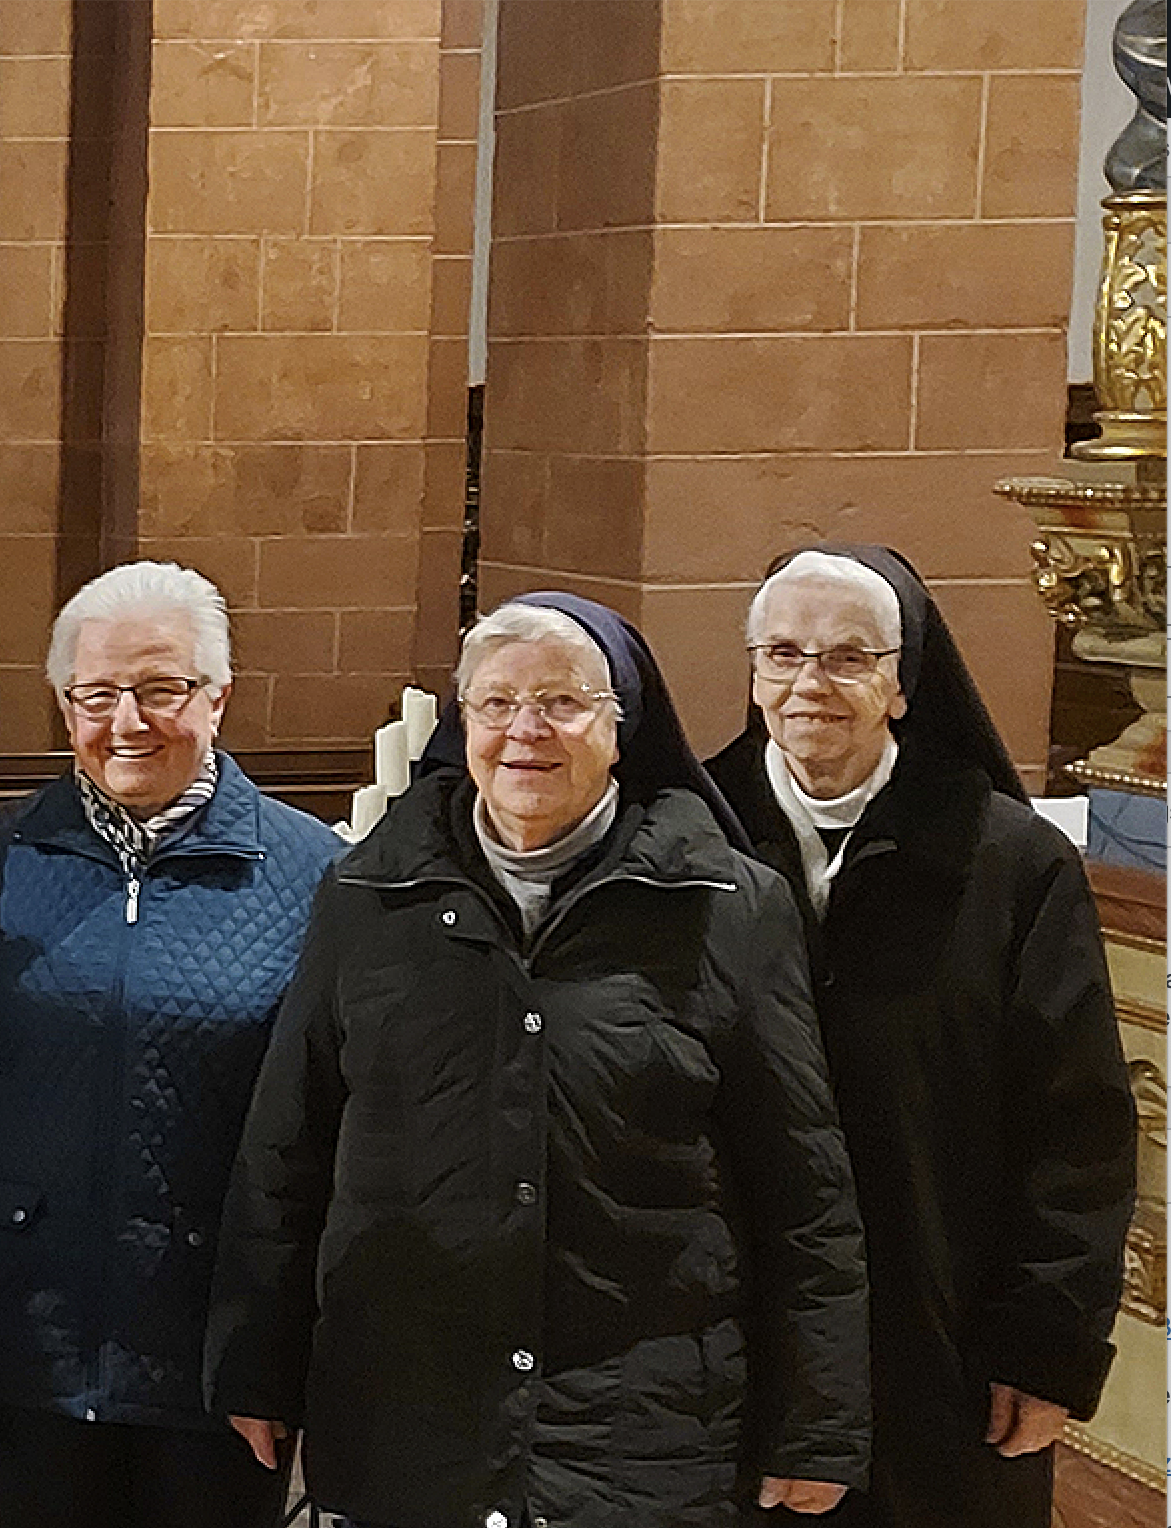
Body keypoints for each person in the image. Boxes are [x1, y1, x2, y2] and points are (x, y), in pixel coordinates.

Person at [210, 593, 869, 1528]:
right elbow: (287, 1146)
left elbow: (805, 1190)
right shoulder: (368, 895)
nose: (525, 731)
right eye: (496, 703)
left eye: (562, 703)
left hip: (637, 1434)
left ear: (619, 728)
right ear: (463, 724)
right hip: (410, 1422)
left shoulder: (728, 906)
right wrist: (257, 1362)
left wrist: (818, 1427)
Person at [0, 562, 337, 1528]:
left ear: (217, 696)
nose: (128, 721)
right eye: (97, 695)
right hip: (25, 1312)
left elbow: (332, 1118)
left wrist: (298, 1330)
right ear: (64, 704)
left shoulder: (312, 873)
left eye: (161, 690)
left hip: (212, 1332)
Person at [703, 546, 1133, 1528]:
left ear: (903, 685)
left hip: (946, 1338)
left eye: (849, 658)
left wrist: (1046, 1345)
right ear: (754, 674)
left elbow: (1078, 1128)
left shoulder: (1011, 862)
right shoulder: (689, 842)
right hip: (736, 1345)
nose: (810, 683)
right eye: (783, 654)